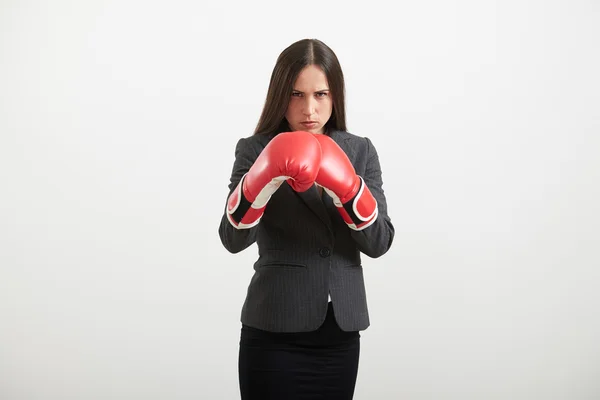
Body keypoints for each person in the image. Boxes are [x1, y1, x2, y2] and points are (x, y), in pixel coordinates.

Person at [218, 38, 395, 400]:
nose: (309, 109)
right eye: (296, 95)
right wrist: (260, 182)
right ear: (280, 95)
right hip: (273, 331)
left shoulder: (359, 150)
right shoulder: (255, 149)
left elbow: (379, 242)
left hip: (339, 337)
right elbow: (232, 240)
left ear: (336, 96)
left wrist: (349, 191)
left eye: (321, 94)